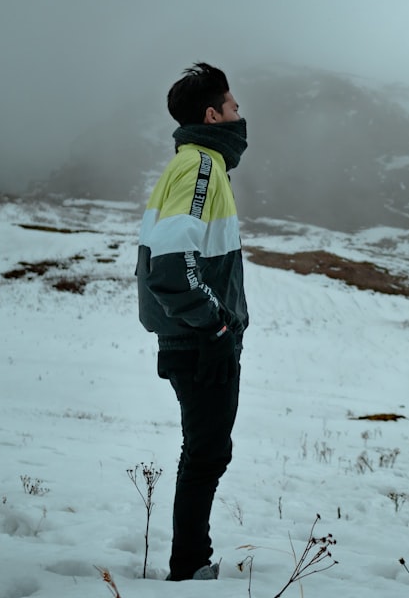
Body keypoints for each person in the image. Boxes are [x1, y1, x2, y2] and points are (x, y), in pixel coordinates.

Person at [135, 61, 249, 582]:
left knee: (206, 450)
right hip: (200, 341)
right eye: (233, 107)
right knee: (205, 453)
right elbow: (172, 266)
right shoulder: (200, 167)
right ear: (212, 115)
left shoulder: (197, 166)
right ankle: (190, 569)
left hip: (196, 337)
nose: (240, 115)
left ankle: (192, 563)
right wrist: (217, 326)